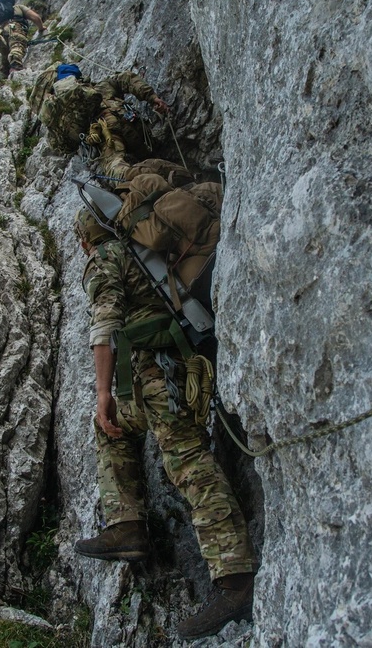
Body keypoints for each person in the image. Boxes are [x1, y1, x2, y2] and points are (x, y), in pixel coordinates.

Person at [72, 208, 257, 640]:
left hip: (163, 376)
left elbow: (105, 324)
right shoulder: (141, 252)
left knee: (189, 463)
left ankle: (236, 582)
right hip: (166, 373)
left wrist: (102, 393)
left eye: (80, 236)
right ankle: (127, 525)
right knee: (111, 426)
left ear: (86, 237)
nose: (81, 244)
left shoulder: (105, 258)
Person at [66, 67, 170, 181]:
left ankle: (135, 182)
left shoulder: (70, 116)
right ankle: (162, 174)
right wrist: (152, 97)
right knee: (151, 157)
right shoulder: (103, 86)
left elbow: (67, 144)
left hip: (108, 137)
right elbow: (126, 78)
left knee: (116, 167)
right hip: (130, 124)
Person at [0, 0, 44, 75]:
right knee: (16, 48)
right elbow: (36, 17)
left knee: (4, 59)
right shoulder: (17, 8)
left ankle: (3, 78)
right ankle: (16, 71)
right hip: (14, 28)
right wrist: (41, 28)